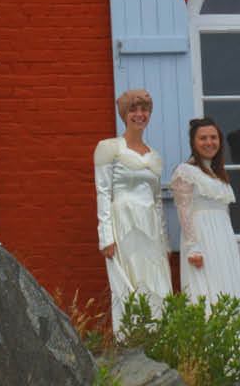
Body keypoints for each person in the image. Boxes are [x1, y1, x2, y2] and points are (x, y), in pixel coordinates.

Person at [95, 89, 171, 332]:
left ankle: (158, 340)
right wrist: (106, 236)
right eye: (134, 110)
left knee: (155, 282)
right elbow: (103, 192)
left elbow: (157, 200)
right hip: (123, 223)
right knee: (128, 282)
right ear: (124, 114)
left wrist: (164, 240)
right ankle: (131, 342)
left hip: (150, 226)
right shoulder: (109, 148)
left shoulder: (155, 156)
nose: (139, 114)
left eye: (144, 109)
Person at [168, 117, 240, 311]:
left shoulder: (217, 174)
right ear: (193, 143)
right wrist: (193, 247)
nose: (209, 142)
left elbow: (224, 212)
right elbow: (184, 210)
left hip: (223, 240)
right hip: (201, 240)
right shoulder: (185, 171)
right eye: (203, 138)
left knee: (226, 287)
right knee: (205, 290)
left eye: (213, 138)